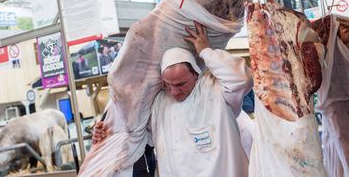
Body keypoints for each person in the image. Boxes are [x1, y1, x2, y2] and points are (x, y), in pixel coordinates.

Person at [93, 22, 253, 176]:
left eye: (180, 84)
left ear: (196, 74)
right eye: (168, 85)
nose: (174, 91)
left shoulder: (217, 91)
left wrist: (206, 52)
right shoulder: (159, 103)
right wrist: (104, 132)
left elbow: (242, 79)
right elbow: (133, 133)